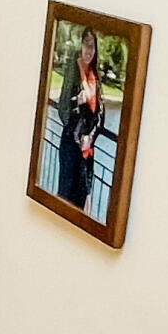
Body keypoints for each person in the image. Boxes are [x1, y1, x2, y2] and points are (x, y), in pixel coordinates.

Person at [55, 28, 103, 209]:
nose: (89, 50)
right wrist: (78, 102)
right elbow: (63, 108)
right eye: (86, 45)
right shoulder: (73, 70)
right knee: (65, 198)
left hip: (86, 151)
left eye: (92, 46)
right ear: (81, 46)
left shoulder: (95, 77)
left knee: (81, 201)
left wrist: (90, 136)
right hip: (70, 145)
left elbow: (100, 115)